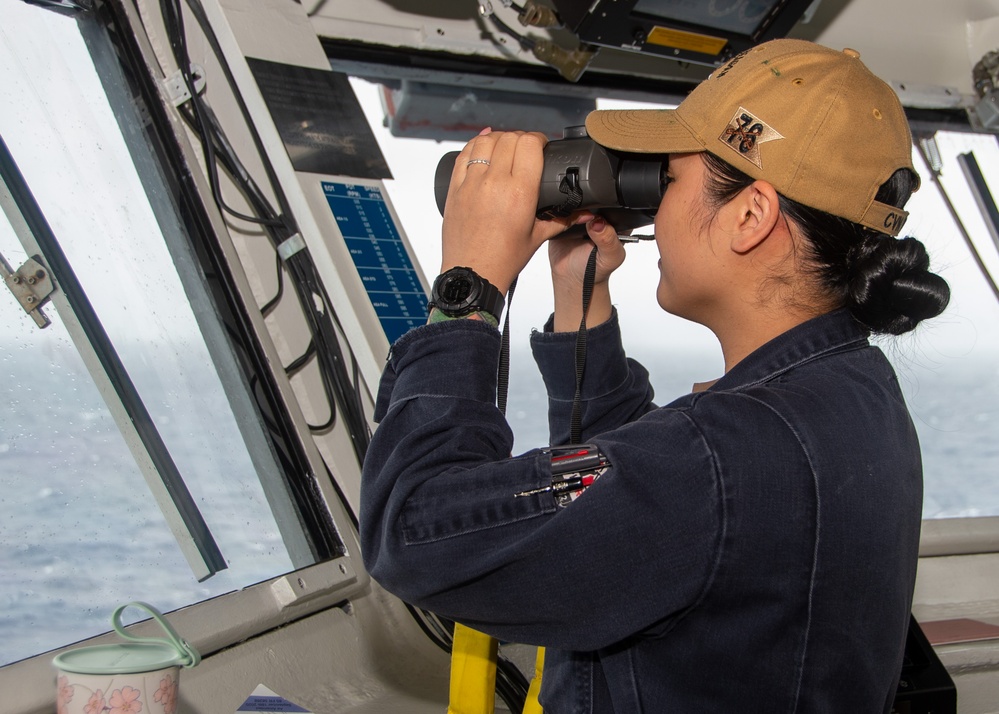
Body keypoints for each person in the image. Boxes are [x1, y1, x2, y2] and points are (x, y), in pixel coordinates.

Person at [360, 38, 950, 712]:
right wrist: (579, 298)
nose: (654, 208)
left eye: (667, 180)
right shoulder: (848, 392)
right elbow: (640, 515)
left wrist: (467, 293)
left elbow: (413, 532)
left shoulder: (723, 452)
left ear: (750, 216)